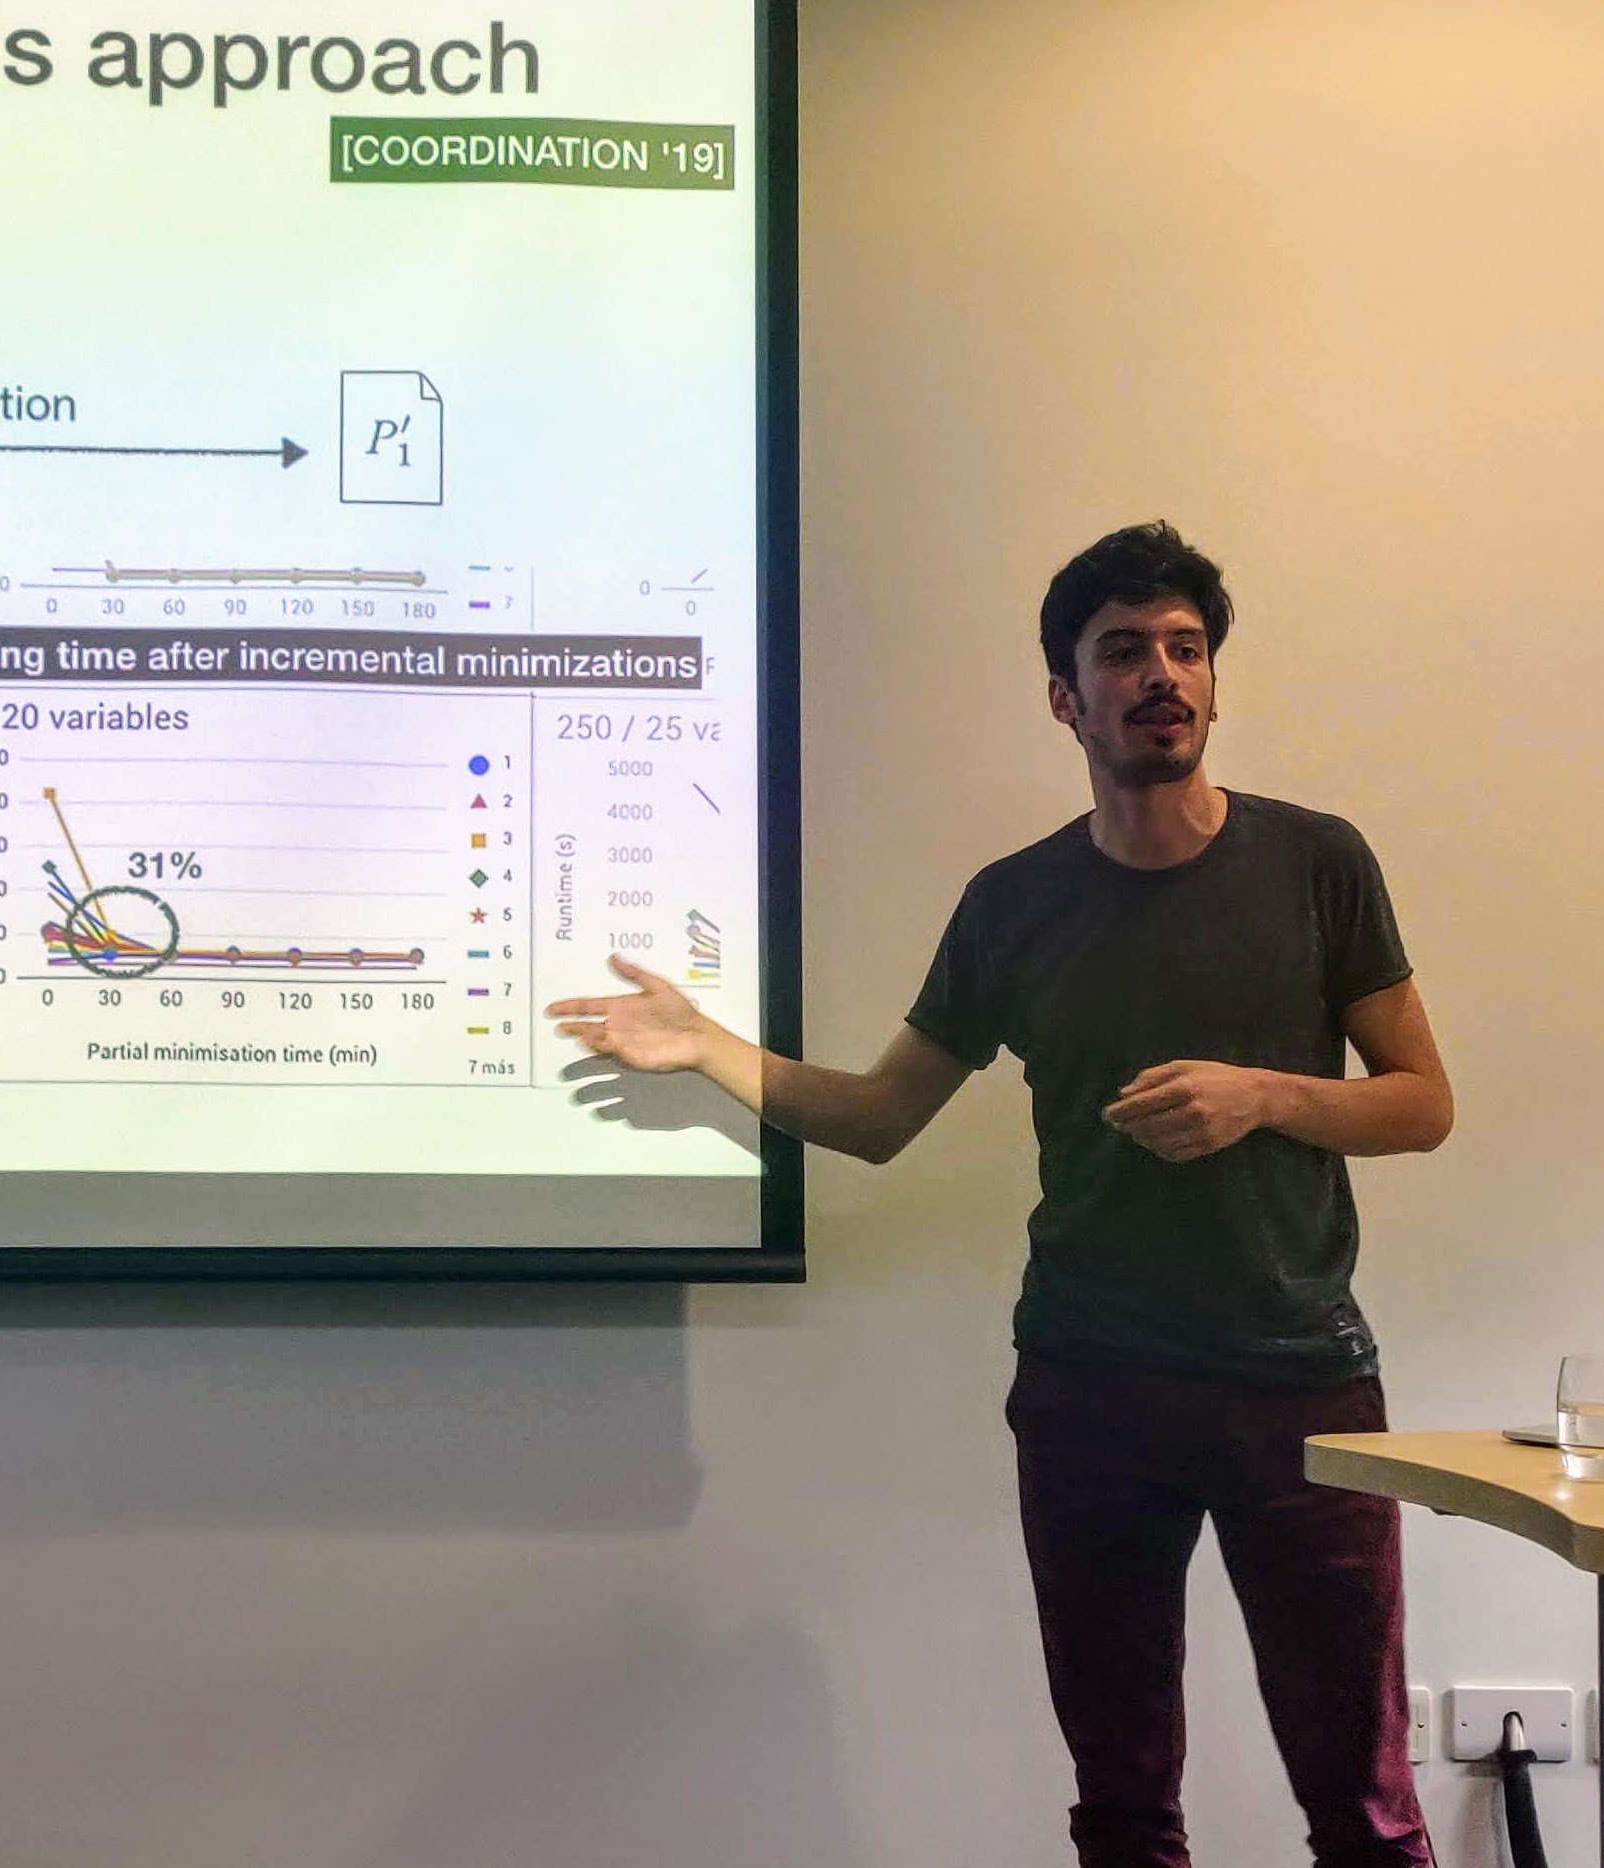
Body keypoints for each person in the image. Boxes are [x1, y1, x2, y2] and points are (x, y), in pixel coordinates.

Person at [548, 522, 1453, 1868]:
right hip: (1093, 1390)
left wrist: (1264, 1096)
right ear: (1066, 700)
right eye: (1125, 652)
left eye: (1186, 649)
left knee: (1365, 1806)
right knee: (1125, 1806)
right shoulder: (1014, 904)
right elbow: (878, 1117)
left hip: (1301, 1381)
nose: (1163, 674)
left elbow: (1421, 1103)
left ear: (1214, 682)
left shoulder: (1319, 862)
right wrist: (708, 1048)